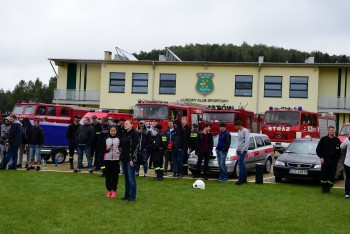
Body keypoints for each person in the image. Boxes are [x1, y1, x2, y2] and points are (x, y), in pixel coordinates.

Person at [316, 126, 341, 193]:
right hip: (325, 160)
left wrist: (337, 159)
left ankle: (328, 188)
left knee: (331, 174)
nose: (333, 131)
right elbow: (318, 149)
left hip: (333, 160)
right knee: (324, 174)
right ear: (328, 131)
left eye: (334, 130)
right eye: (331, 130)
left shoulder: (337, 140)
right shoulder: (323, 139)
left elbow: (339, 151)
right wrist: (321, 157)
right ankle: (323, 188)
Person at [120, 120, 139, 202]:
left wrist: (132, 159)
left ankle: (133, 196)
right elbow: (123, 146)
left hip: (130, 159)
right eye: (125, 124)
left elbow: (135, 147)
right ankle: (127, 195)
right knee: (126, 178)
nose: (125, 125)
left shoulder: (134, 134)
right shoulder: (124, 133)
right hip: (123, 158)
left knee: (131, 178)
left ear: (132, 125)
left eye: (127, 124)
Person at [101, 126, 120, 197]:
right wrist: (107, 150)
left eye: (114, 131)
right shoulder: (105, 139)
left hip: (116, 160)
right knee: (108, 176)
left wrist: (119, 151)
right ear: (109, 131)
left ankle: (114, 190)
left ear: (116, 131)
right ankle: (109, 190)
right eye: (111, 131)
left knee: (115, 176)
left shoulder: (119, 139)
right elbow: (102, 149)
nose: (113, 132)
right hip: (107, 159)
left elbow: (121, 148)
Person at [234, 120, 250, 185]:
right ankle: (244, 178)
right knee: (242, 165)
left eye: (236, 126)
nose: (235, 127)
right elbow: (239, 141)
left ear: (239, 125)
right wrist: (237, 149)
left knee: (240, 165)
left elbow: (247, 141)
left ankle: (240, 180)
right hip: (239, 149)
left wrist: (243, 150)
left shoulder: (245, 131)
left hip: (243, 150)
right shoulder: (239, 131)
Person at [340, 132, 350, 199]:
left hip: (348, 163)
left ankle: (347, 194)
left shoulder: (347, 140)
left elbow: (341, 147)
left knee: (348, 178)